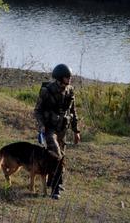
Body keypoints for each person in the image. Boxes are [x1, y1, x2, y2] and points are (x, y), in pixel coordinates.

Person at [34, 63, 81, 199]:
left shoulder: (70, 90)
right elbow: (37, 111)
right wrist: (41, 125)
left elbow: (73, 111)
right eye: (67, 77)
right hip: (50, 128)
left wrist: (76, 131)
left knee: (62, 157)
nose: (70, 79)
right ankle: (55, 189)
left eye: (70, 77)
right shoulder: (47, 91)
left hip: (62, 129)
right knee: (56, 155)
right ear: (60, 78)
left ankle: (54, 181)